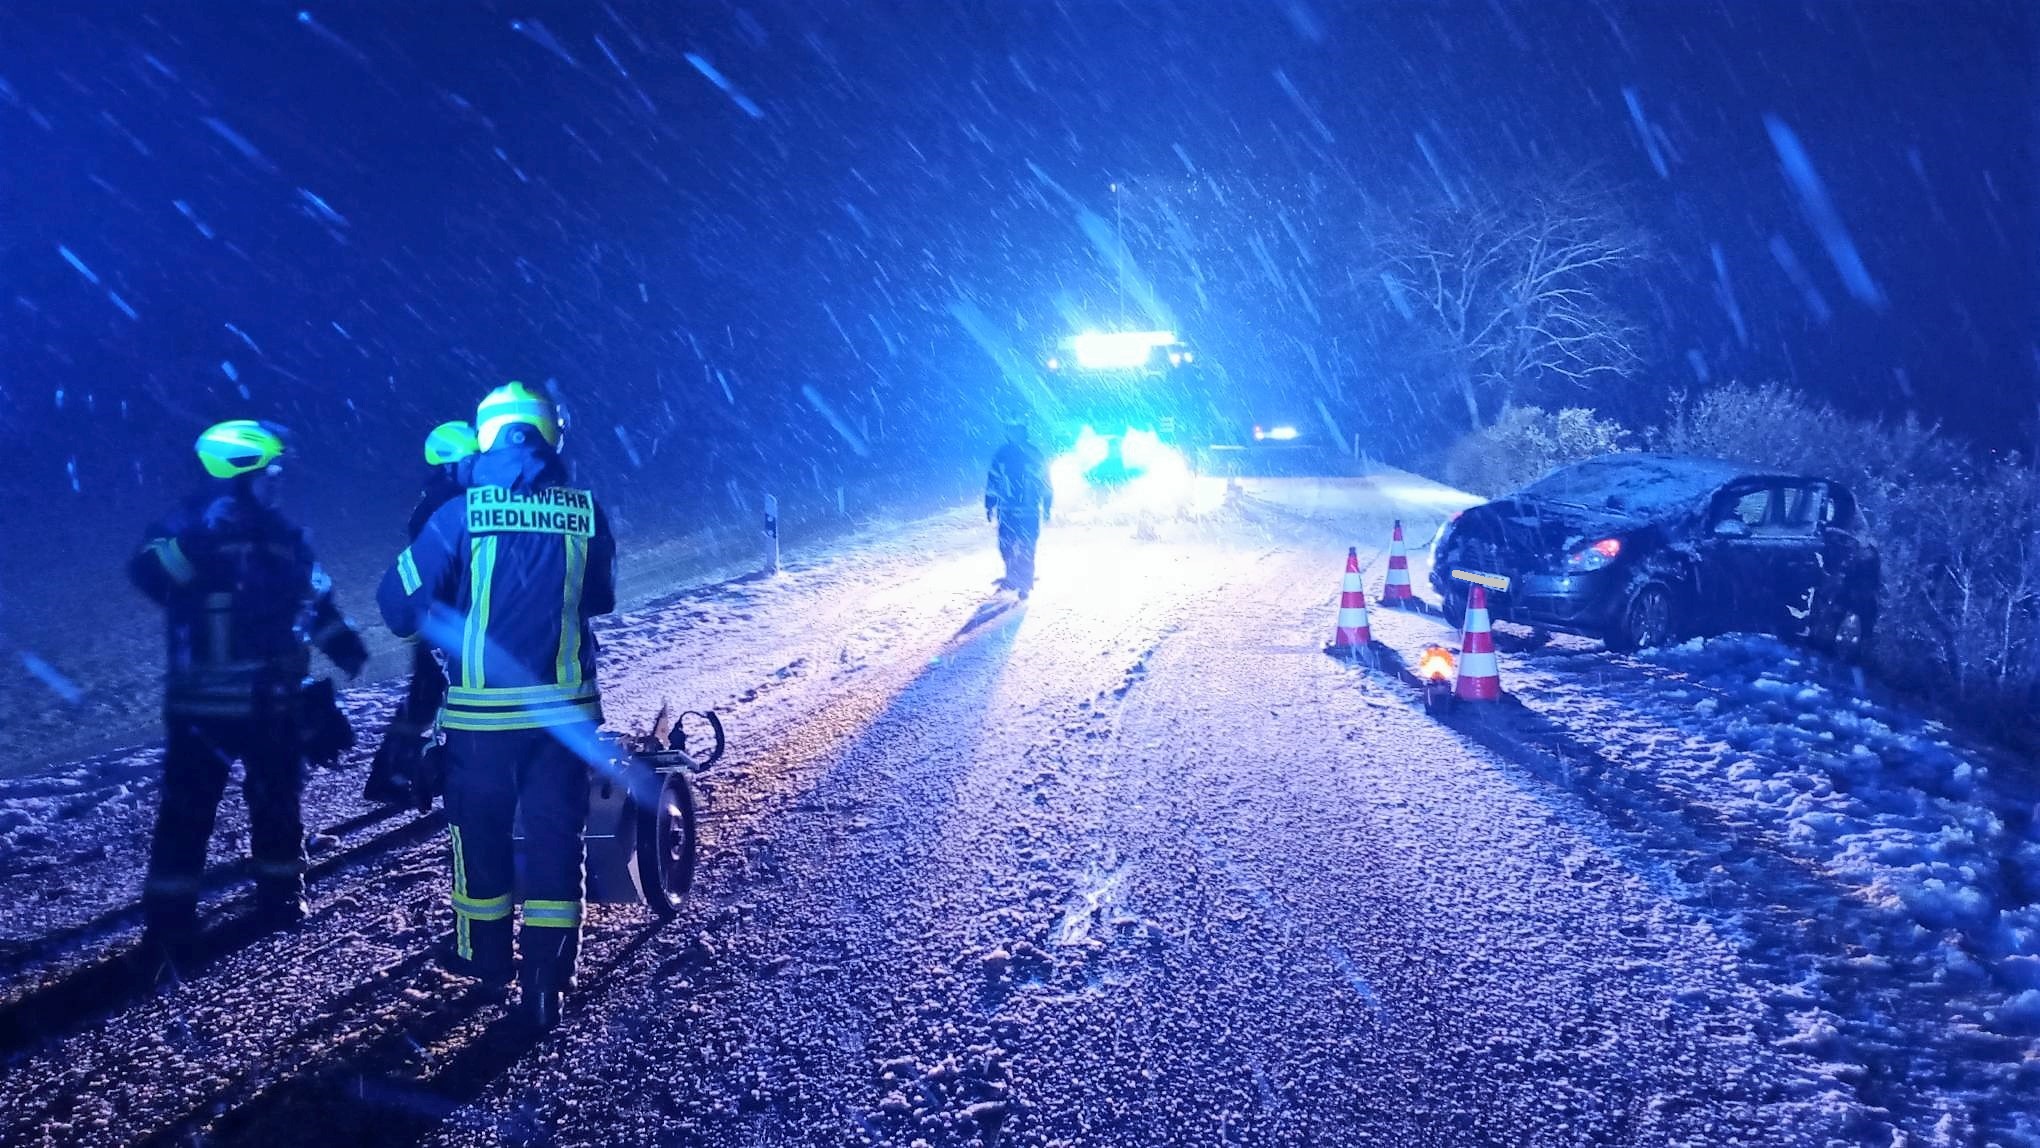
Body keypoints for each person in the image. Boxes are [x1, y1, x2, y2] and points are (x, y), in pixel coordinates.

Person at [377, 381, 616, 1028]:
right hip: (566, 721)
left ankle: (484, 964)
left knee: (478, 845)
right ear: (550, 435)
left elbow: (398, 609)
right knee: (556, 846)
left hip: (481, 728)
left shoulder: (458, 514)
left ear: (487, 434)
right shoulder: (588, 512)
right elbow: (598, 601)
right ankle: (547, 982)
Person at [128, 419, 369, 963]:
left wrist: (345, 646)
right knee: (188, 815)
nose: (277, 481)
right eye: (269, 471)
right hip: (203, 706)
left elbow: (315, 601)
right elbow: (149, 576)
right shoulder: (182, 529)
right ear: (236, 476)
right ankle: (169, 926)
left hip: (273, 699)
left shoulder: (282, 535)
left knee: (278, 803)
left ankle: (282, 898)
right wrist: (205, 537)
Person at [363, 421, 480, 806]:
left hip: (440, 620)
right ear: (452, 464)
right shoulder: (445, 505)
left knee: (426, 697)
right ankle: (398, 775)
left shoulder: (439, 499)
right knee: (433, 697)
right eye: (472, 459)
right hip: (444, 622)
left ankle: (392, 775)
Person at [984, 421, 1052, 598]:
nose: (1014, 434)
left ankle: (1024, 582)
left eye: (1018, 431)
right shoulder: (1002, 455)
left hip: (1029, 509)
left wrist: (1047, 505)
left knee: (1027, 546)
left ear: (1023, 432)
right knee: (1006, 545)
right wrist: (990, 504)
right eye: (1011, 431)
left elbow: (1045, 481)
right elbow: (993, 481)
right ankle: (1012, 576)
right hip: (1006, 510)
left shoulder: (1033, 454)